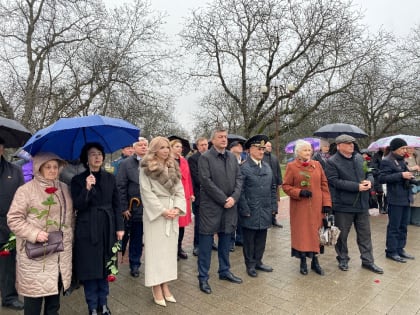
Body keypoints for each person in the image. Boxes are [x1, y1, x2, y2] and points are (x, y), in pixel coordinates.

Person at [7, 152, 73, 315]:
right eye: (48, 167)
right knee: (34, 302)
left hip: (59, 254)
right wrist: (34, 233)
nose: (52, 170)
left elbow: (70, 218)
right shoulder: (26, 190)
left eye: (55, 167)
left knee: (53, 303)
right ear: (39, 168)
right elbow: (14, 219)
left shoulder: (64, 188)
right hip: (36, 254)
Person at [71, 143, 124, 315]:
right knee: (90, 268)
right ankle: (92, 305)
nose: (97, 157)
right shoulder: (78, 180)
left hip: (107, 227)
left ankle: (104, 304)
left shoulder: (110, 178)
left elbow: (117, 204)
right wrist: (86, 188)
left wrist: (120, 227)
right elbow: (77, 205)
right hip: (87, 229)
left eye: (100, 154)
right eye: (93, 154)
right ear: (86, 159)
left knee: (105, 266)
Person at [325, 134, 383, 274]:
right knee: (342, 235)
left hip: (362, 204)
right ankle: (343, 259)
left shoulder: (358, 157)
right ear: (339, 146)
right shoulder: (332, 162)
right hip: (343, 205)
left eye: (352, 143)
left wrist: (370, 181)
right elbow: (334, 181)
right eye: (347, 143)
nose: (352, 145)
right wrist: (356, 186)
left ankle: (368, 261)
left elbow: (369, 171)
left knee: (365, 234)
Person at [139, 136, 186, 307]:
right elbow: (146, 192)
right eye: (162, 147)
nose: (166, 150)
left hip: (172, 213)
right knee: (155, 253)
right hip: (156, 216)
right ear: (154, 149)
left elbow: (180, 190)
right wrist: (162, 210)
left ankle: (165, 284)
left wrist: (177, 209)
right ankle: (155, 286)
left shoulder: (173, 166)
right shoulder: (146, 168)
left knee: (168, 253)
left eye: (167, 147)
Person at [197, 127, 243, 294]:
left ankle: (224, 271)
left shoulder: (232, 157)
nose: (224, 139)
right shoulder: (205, 158)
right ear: (213, 140)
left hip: (230, 206)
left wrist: (234, 198)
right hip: (211, 208)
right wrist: (223, 199)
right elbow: (206, 181)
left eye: (225, 137)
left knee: (225, 240)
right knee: (206, 243)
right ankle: (203, 278)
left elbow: (239, 178)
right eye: (220, 137)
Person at [283, 140, 332, 275]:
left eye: (309, 150)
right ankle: (303, 261)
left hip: (317, 207)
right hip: (300, 208)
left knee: (317, 234)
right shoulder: (292, 166)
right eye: (305, 150)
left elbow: (324, 185)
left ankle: (315, 261)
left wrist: (327, 203)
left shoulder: (317, 165)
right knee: (303, 234)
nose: (308, 152)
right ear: (298, 152)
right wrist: (299, 192)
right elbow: (286, 186)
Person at [238, 135, 277, 277]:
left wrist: (274, 207)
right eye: (259, 149)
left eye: (263, 148)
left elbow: (273, 188)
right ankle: (250, 265)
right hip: (251, 209)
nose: (262, 151)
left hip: (265, 209)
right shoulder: (243, 167)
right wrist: (245, 209)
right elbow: (240, 191)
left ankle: (258, 261)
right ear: (250, 150)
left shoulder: (267, 166)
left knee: (261, 237)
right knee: (249, 240)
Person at [379, 138, 415, 263]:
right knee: (394, 226)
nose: (404, 150)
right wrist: (401, 175)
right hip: (395, 198)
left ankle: (400, 249)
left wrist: (411, 178)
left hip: (406, 197)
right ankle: (391, 251)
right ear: (395, 149)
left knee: (403, 226)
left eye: (405, 148)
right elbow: (382, 178)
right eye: (402, 148)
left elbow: (405, 175)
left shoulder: (402, 161)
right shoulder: (387, 161)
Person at [116, 137, 148, 277]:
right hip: (134, 206)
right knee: (135, 236)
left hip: (151, 207)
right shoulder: (126, 164)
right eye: (140, 145)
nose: (143, 147)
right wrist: (124, 208)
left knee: (144, 237)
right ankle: (134, 264)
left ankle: (145, 262)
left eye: (145, 145)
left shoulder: (152, 162)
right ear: (134, 148)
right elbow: (120, 187)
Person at [0, 137, 24, 311]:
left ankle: (9, 297)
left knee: (8, 265)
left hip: (7, 225)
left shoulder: (15, 171)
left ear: (2, 148)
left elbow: (21, 199)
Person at [170, 138, 194, 260]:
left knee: (182, 224)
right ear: (171, 148)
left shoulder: (184, 161)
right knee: (173, 224)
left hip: (184, 195)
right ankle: (171, 249)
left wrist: (191, 193)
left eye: (180, 147)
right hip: (172, 195)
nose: (180, 149)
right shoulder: (167, 161)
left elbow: (188, 178)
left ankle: (179, 248)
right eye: (177, 146)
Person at [188, 137, 209, 257]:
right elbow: (196, 177)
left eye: (206, 144)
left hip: (211, 196)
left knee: (210, 221)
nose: (204, 147)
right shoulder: (193, 159)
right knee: (199, 222)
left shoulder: (212, 157)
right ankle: (197, 245)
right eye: (201, 145)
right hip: (199, 195)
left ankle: (209, 243)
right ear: (197, 146)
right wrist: (210, 182)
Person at [228, 140, 245, 251]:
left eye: (241, 146)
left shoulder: (244, 159)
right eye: (237, 146)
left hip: (242, 192)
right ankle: (230, 241)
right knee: (231, 218)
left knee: (240, 217)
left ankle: (239, 238)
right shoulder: (228, 158)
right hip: (231, 192)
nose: (240, 147)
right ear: (231, 148)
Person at [263, 141, 283, 228]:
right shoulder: (261, 157)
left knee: (274, 202)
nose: (269, 148)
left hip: (274, 183)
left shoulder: (274, 158)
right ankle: (266, 220)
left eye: (270, 146)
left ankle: (273, 219)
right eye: (268, 146)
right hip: (264, 183)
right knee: (266, 202)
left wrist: (280, 181)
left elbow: (278, 170)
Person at [404, 147, 420, 226]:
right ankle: (407, 220)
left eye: (413, 148)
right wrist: (412, 168)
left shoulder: (416, 156)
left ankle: (416, 220)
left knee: (418, 202)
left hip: (418, 181)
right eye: (409, 148)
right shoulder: (403, 157)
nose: (411, 149)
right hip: (408, 182)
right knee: (409, 201)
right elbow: (402, 168)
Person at [371, 149, 387, 213]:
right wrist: (381, 172)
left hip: (388, 177)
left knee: (387, 193)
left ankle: (385, 207)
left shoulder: (390, 155)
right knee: (380, 192)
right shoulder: (376, 156)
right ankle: (381, 207)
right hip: (379, 177)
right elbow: (373, 168)